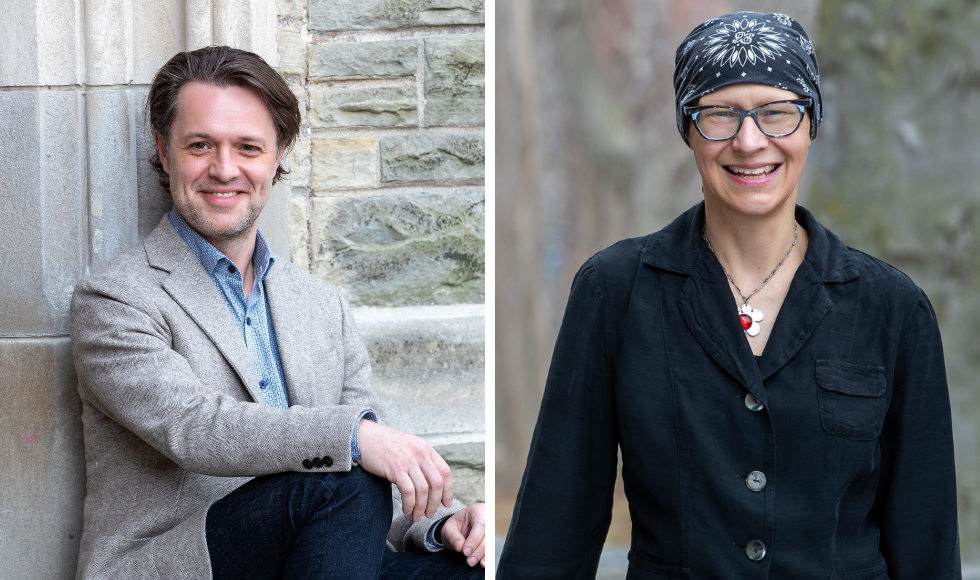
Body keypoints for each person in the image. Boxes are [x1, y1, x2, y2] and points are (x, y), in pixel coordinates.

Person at [497, 11, 959, 579]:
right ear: (687, 128)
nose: (749, 140)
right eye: (719, 114)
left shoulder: (893, 309)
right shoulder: (614, 291)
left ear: (810, 122)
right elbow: (553, 530)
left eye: (777, 113)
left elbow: (927, 545)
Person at [69, 46, 485, 579]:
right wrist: (355, 438)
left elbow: (379, 471)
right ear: (165, 151)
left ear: (277, 153)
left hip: (321, 556)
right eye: (200, 145)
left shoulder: (321, 304)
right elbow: (194, 428)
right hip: (183, 564)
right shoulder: (115, 299)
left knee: (474, 568)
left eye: (247, 147)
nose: (224, 169)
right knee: (343, 470)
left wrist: (441, 524)